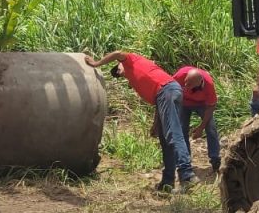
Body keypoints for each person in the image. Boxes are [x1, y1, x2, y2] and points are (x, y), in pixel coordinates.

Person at [84, 51, 197, 192]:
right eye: (118, 74)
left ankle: (187, 174)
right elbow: (159, 98)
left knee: (173, 133)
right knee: (165, 139)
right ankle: (167, 183)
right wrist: (156, 124)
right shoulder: (135, 77)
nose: (119, 72)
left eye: (118, 68)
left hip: (168, 91)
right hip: (166, 93)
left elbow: (117, 53)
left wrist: (97, 63)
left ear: (121, 63)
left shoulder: (131, 59)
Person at [172, 66, 220, 173]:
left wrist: (201, 128)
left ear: (199, 83)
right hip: (183, 103)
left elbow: (211, 106)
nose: (186, 86)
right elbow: (169, 89)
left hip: (202, 104)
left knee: (211, 127)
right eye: (185, 83)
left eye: (189, 85)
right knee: (182, 129)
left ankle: (215, 158)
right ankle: (185, 161)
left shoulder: (208, 85)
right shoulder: (180, 75)